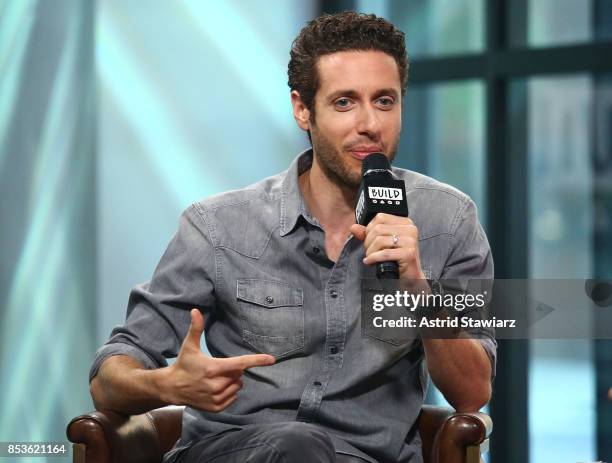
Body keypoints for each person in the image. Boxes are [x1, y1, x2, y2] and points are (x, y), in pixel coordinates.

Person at [89, 12, 495, 463]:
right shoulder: (219, 225)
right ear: (303, 109)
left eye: (384, 101)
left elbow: (472, 392)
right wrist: (165, 385)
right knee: (296, 445)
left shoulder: (449, 220)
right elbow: (109, 375)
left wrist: (419, 292)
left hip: (367, 457)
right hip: (235, 453)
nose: (370, 124)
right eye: (344, 103)